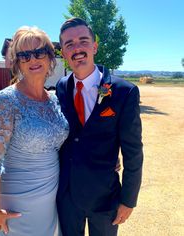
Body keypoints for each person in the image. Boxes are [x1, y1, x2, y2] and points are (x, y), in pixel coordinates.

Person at [56, 17, 143, 236]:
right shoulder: (60, 88)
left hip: (105, 199)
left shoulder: (124, 92)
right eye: (69, 44)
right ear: (64, 53)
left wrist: (128, 200)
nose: (77, 48)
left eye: (83, 41)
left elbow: (133, 152)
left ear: (94, 46)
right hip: (67, 197)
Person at [0, 26, 69, 236]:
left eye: (39, 52)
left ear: (50, 57)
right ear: (17, 62)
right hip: (17, 203)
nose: (33, 59)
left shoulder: (55, 100)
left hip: (50, 200)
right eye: (24, 55)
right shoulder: (6, 100)